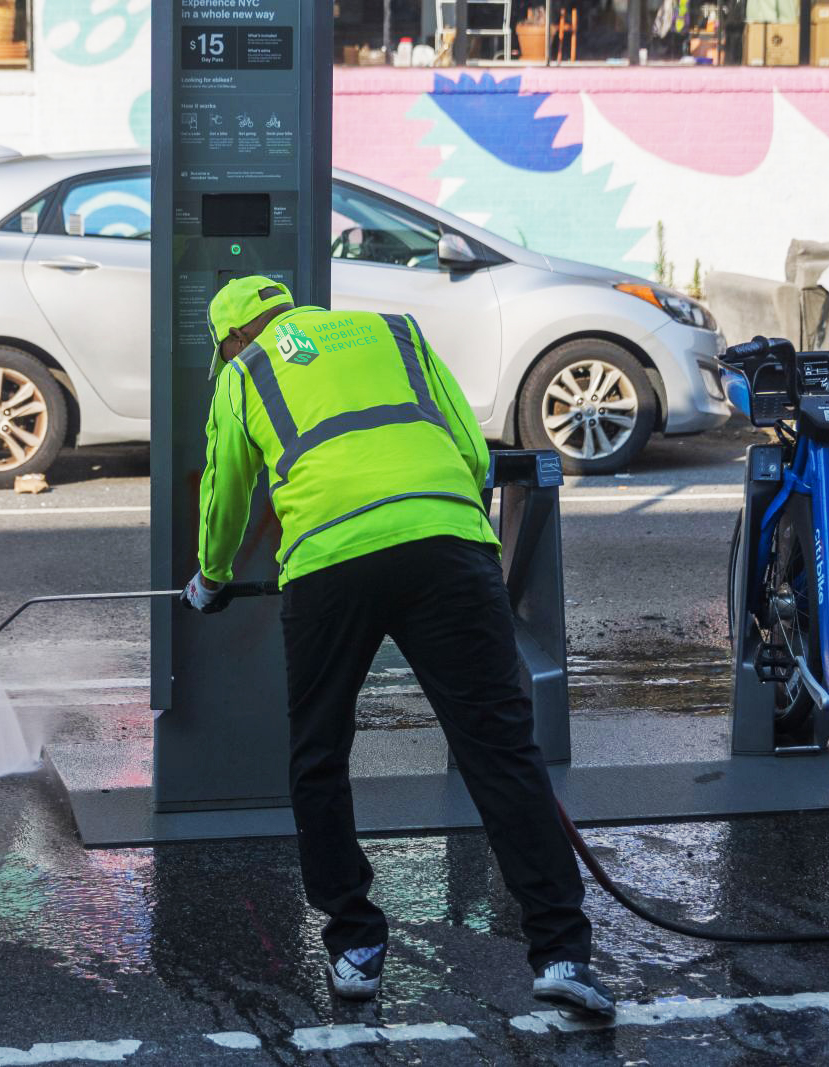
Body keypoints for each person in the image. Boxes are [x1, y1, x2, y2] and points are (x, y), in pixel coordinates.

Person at [180, 275, 614, 1015]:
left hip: (329, 561)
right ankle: (563, 950)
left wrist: (212, 577)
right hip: (447, 542)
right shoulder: (395, 331)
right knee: (500, 746)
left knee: (319, 753)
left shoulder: (244, 372)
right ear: (295, 310)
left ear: (231, 339)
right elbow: (470, 448)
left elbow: (225, 489)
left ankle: (355, 943)